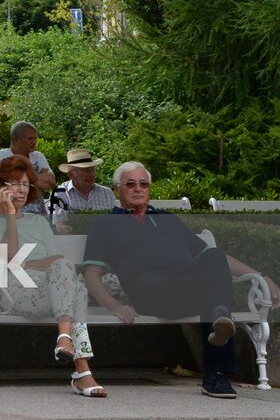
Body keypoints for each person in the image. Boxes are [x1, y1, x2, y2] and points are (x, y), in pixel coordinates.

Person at [82, 161, 280, 399]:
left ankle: (218, 336)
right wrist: (114, 305)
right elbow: (91, 274)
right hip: (151, 291)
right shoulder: (105, 224)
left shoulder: (166, 218)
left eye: (143, 184)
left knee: (214, 257)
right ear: (117, 190)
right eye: (130, 184)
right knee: (211, 294)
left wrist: (261, 276)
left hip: (187, 286)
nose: (138, 189)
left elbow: (212, 257)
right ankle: (216, 368)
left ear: (150, 189)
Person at [0, 156, 106, 397]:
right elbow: (10, 260)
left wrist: (28, 264)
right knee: (76, 289)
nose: (21, 190)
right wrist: (10, 217)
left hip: (53, 291)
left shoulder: (38, 221)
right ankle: (81, 369)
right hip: (13, 293)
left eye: (26, 184)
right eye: (14, 183)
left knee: (68, 274)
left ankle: (67, 342)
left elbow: (57, 261)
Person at [0, 121, 55, 214]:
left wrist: (21, 179)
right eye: (29, 139)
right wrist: (37, 178)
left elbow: (51, 182)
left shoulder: (38, 156)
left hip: (38, 213)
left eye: (35, 138)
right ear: (15, 139)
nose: (34, 142)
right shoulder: (3, 156)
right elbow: (0, 185)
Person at [54, 148, 117, 214]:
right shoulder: (60, 193)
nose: (91, 174)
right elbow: (60, 223)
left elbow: (114, 221)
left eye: (92, 169)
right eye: (85, 170)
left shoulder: (107, 193)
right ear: (71, 174)